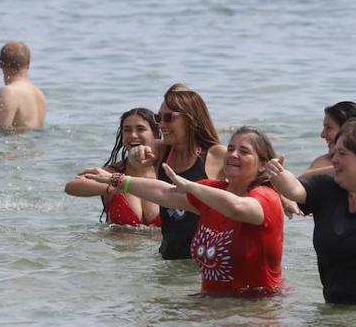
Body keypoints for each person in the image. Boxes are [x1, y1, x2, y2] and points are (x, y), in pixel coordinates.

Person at [84, 127, 284, 296]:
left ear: (262, 165)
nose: (233, 154)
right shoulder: (212, 191)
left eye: (244, 151)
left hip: (256, 309)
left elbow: (237, 207)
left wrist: (193, 187)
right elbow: (164, 192)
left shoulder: (266, 197)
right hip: (211, 303)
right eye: (230, 148)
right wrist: (117, 179)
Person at [264, 121, 356, 305]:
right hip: (335, 310)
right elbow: (294, 190)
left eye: (342, 154)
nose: (334, 160)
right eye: (334, 153)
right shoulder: (325, 189)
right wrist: (278, 174)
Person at [151, 84, 226, 259]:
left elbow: (254, 181)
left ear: (191, 119)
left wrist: (285, 198)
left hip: (208, 261)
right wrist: (135, 156)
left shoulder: (216, 155)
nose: (161, 124)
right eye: (158, 117)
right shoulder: (160, 151)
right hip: (168, 258)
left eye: (168, 117)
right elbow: (131, 163)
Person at [64, 108, 163, 227]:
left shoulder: (167, 171)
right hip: (118, 244)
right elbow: (71, 186)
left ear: (156, 133)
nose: (133, 135)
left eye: (140, 129)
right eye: (127, 130)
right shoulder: (113, 173)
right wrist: (115, 186)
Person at [0, 41, 46, 131]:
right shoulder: (39, 94)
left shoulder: (9, 92)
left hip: (18, 145)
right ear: (29, 64)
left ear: (0, 64)